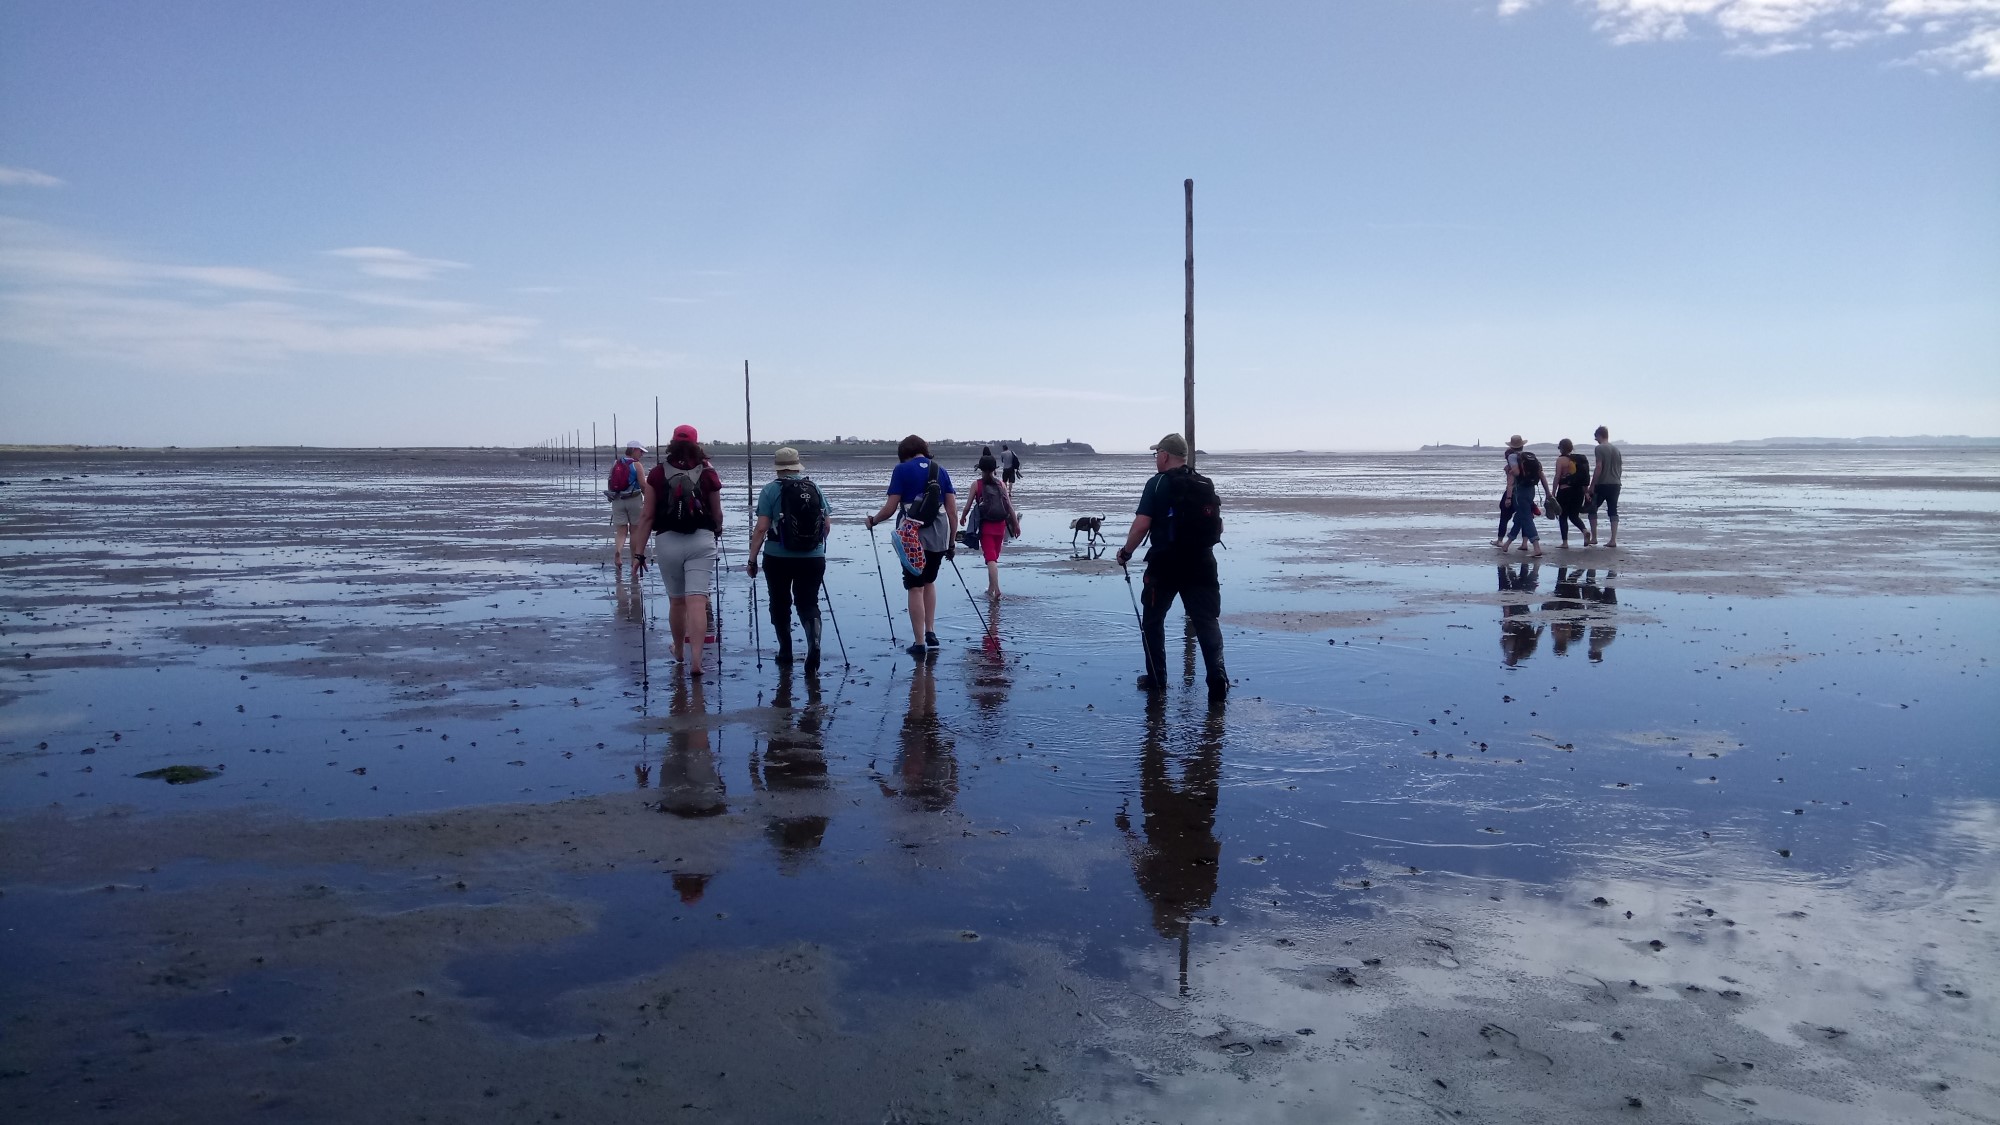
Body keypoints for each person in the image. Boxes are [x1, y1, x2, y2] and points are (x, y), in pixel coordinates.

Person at [1115, 433, 1227, 696]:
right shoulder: (1203, 483)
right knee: (1206, 621)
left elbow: (1142, 525)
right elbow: (1219, 526)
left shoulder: (1157, 484)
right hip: (1202, 562)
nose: (1156, 458)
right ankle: (1218, 679)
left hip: (1165, 563)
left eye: (1157, 454)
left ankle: (1157, 680)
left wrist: (1126, 553)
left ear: (1165, 456)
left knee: (1153, 620)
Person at [637, 424, 724, 678]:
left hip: (668, 541)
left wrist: (639, 553)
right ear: (697, 444)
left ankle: (678, 651)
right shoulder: (708, 472)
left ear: (672, 443)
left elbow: (647, 516)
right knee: (697, 601)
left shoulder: (657, 473)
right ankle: (696, 660)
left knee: (677, 601)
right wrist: (717, 530)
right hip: (702, 539)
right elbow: (717, 513)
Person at [865, 435, 958, 656]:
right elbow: (952, 511)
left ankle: (919, 643)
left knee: (915, 586)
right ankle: (930, 631)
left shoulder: (901, 470)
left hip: (911, 536)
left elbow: (890, 508)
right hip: (939, 533)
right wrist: (951, 542)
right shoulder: (940, 470)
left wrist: (873, 521)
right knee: (929, 581)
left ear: (904, 453)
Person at [746, 446, 832, 670]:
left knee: (779, 602)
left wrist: (752, 560)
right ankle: (814, 643)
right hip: (813, 557)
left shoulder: (769, 490)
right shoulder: (815, 488)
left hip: (777, 557)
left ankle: (785, 651)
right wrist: (814, 546)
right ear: (797, 466)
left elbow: (761, 528)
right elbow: (826, 525)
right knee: (808, 602)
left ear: (777, 468)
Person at [960, 449, 1018, 598]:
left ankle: (996, 589)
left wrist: (963, 517)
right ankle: (991, 588)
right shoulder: (1001, 484)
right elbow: (1009, 506)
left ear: (980, 469)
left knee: (990, 559)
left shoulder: (977, 485)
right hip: (1000, 526)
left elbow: (967, 506)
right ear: (994, 469)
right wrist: (1016, 524)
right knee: (993, 558)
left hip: (986, 527)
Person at [1496, 435, 1551, 558]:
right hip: (1531, 490)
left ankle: (1536, 547)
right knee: (1520, 517)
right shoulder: (1531, 457)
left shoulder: (1512, 456)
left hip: (1520, 491)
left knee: (1526, 518)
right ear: (1522, 445)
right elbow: (1541, 475)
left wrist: (1508, 497)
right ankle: (1507, 544)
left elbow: (1515, 474)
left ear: (1511, 446)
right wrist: (1548, 492)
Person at [605, 440, 649, 573]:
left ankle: (618, 552)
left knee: (621, 531)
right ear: (634, 450)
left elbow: (610, 481)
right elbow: (643, 485)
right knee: (635, 530)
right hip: (634, 499)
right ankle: (634, 559)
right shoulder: (637, 465)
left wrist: (611, 497)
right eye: (640, 451)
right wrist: (648, 498)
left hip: (617, 500)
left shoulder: (616, 463)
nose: (641, 454)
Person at [1550, 438, 1592, 548]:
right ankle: (1584, 531)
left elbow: (1557, 476)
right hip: (1578, 491)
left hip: (1565, 491)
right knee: (1574, 516)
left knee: (1563, 516)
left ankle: (1565, 542)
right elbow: (1584, 478)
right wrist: (1586, 493)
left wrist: (1553, 493)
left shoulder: (1561, 460)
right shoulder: (1579, 460)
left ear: (1561, 448)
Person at [1588, 425, 1623, 548]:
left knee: (1592, 509)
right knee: (1613, 510)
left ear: (1599, 435)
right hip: (1616, 484)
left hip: (1602, 483)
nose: (1595, 440)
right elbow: (1620, 467)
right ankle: (1613, 539)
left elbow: (1599, 467)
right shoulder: (1616, 449)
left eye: (1596, 437)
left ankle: (1594, 538)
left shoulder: (1599, 448)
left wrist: (1592, 485)